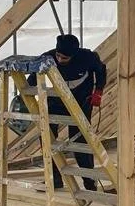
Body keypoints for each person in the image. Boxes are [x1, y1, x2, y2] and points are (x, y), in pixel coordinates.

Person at [28, 34, 106, 192]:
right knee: (47, 137)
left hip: (81, 102)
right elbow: (31, 79)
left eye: (64, 58)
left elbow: (101, 70)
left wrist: (98, 91)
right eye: (58, 56)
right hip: (57, 100)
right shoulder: (48, 58)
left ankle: (89, 183)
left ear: (74, 54)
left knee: (79, 143)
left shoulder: (88, 57)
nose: (60, 60)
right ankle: (54, 179)